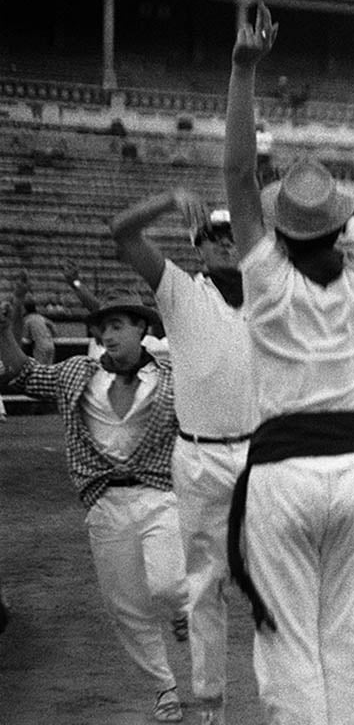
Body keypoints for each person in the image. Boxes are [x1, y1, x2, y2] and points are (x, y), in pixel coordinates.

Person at [221, 2, 354, 723]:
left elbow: (238, 175)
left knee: (289, 646)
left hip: (280, 474)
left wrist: (244, 69)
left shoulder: (265, 279)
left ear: (284, 230)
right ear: (341, 223)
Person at [0, 290, 189, 723]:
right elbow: (22, 373)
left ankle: (181, 610)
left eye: (118, 325)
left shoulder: (174, 378)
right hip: (105, 502)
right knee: (126, 606)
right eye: (102, 328)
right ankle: (165, 687)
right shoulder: (73, 373)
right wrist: (1, 332)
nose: (108, 335)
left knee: (169, 586)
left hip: (160, 494)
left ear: (142, 330)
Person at [110, 193, 258, 725]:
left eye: (231, 233)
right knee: (204, 588)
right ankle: (211, 704)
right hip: (198, 454)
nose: (222, 241)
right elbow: (123, 233)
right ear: (198, 248)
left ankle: (290, 695)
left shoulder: (269, 291)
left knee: (277, 580)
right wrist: (171, 201)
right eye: (211, 236)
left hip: (263, 453)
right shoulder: (178, 289)